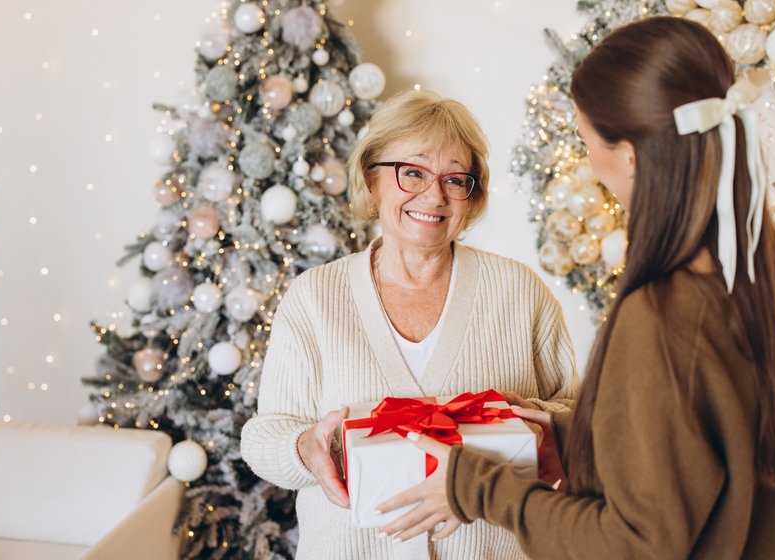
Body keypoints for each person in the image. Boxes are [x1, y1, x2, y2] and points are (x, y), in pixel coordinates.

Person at [377, 17, 775, 559]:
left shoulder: (661, 311)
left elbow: (634, 545)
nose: (588, 162)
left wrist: (478, 486)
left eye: (584, 140)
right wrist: (582, 439)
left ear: (628, 154)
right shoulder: (759, 270)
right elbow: (701, 449)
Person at [240, 89, 579, 559]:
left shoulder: (521, 291)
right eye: (412, 172)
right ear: (370, 177)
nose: (434, 196)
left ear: (471, 194)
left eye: (454, 179)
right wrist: (304, 447)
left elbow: (582, 420)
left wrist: (542, 426)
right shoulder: (315, 298)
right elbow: (263, 436)